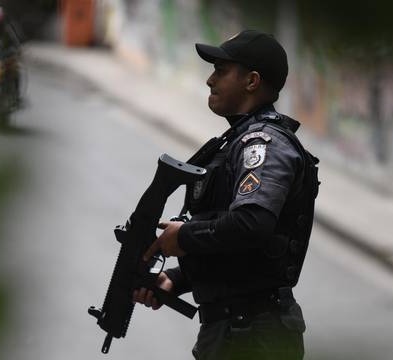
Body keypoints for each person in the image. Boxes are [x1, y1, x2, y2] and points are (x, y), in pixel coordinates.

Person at [134, 30, 320, 359]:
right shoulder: (238, 138)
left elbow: (252, 224)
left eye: (221, 70)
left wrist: (186, 237)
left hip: (252, 336)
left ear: (251, 81)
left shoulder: (263, 143)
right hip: (236, 330)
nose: (210, 80)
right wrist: (176, 279)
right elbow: (239, 250)